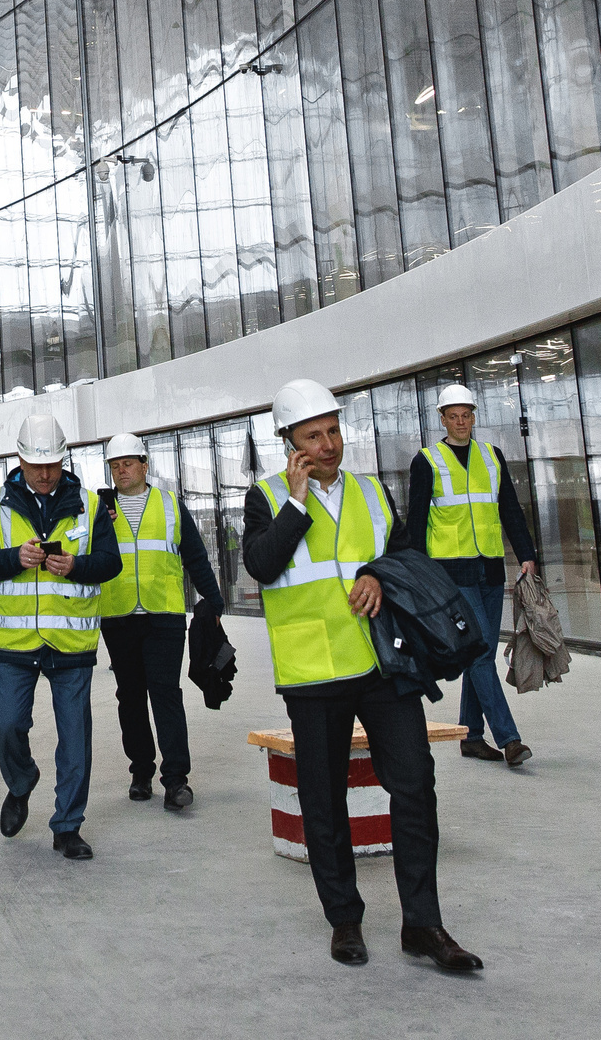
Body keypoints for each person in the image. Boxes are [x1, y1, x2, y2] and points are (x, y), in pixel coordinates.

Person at [249, 379, 480, 972]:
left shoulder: (373, 491)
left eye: (332, 431)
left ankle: (423, 924)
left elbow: (403, 554)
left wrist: (377, 574)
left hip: (383, 663)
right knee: (323, 799)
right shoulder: (266, 497)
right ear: (289, 444)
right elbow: (262, 565)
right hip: (312, 670)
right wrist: (297, 503)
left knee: (415, 783)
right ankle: (344, 919)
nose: (327, 445)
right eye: (312, 436)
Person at [0, 410, 120, 861]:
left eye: (52, 465)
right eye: (36, 466)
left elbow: (110, 562)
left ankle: (68, 826)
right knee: (7, 726)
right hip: (13, 645)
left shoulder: (89, 504)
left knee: (75, 739)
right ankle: (21, 782)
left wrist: (76, 565)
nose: (45, 474)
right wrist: (14, 558)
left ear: (63, 460)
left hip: (70, 643)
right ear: (20, 460)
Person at [392, 384, 539, 767]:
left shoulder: (492, 456)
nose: (460, 422)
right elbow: (417, 521)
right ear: (442, 419)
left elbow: (509, 508)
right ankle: (509, 739)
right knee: (480, 652)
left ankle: (471, 736)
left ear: (473, 416)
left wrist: (526, 555)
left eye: (466, 415)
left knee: (480, 652)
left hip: (490, 566)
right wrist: (418, 574)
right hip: (451, 573)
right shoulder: (427, 461)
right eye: (453, 416)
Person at [99, 431, 222, 810]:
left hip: (164, 616)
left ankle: (176, 780)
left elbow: (195, 556)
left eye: (128, 463)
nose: (121, 471)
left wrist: (214, 601)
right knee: (130, 697)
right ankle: (140, 772)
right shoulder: (100, 510)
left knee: (166, 694)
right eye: (115, 466)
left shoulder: (170, 504)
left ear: (144, 465)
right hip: (118, 615)